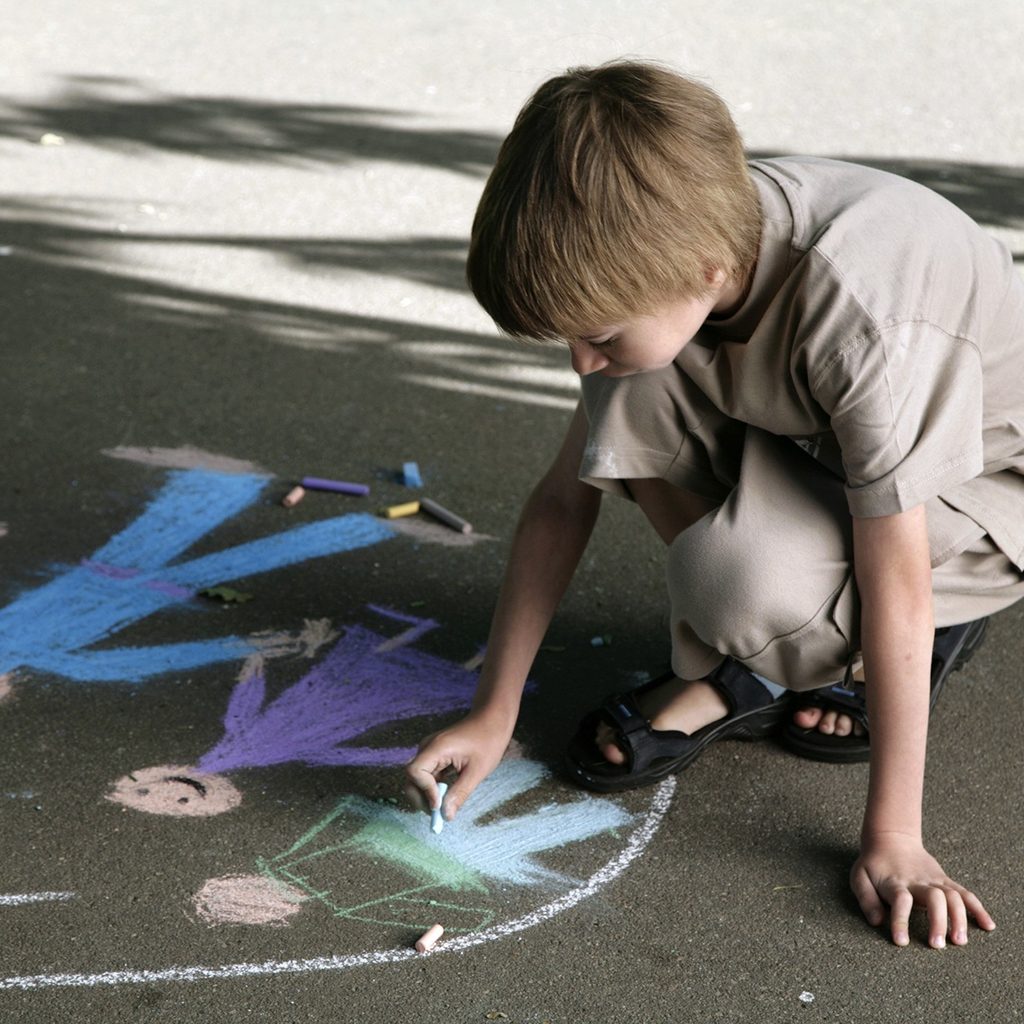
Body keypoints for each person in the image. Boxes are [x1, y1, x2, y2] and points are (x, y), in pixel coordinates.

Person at [404, 60, 1024, 949]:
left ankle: (784, 660)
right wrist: (492, 711)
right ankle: (781, 640)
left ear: (704, 270)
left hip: (980, 491)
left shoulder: (865, 323)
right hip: (816, 447)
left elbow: (899, 583)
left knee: (738, 585)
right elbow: (558, 501)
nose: (579, 360)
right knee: (636, 385)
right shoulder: (667, 251)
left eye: (595, 335)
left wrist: (894, 838)